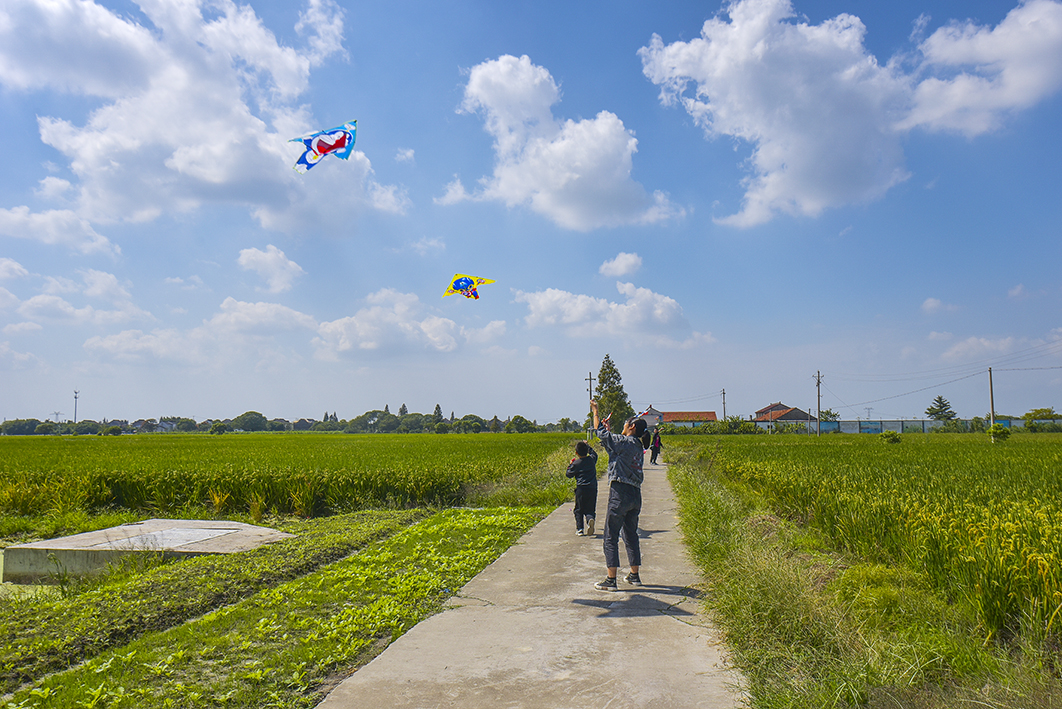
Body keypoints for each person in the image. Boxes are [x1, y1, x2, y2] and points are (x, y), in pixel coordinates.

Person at [590, 400, 650, 591]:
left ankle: (611, 579)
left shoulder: (623, 442)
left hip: (620, 493)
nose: (623, 425)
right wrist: (608, 432)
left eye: (625, 423)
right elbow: (612, 449)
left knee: (611, 535)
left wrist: (595, 411)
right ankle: (634, 575)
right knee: (631, 535)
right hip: (635, 495)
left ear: (631, 426)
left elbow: (600, 432)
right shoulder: (638, 447)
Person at [566, 441, 598, 536]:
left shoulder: (576, 463)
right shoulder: (592, 460)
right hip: (592, 488)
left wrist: (570, 465)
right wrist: (588, 446)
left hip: (581, 488)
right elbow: (594, 454)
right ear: (586, 451)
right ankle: (589, 519)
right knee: (590, 509)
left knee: (579, 509)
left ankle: (580, 529)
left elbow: (568, 474)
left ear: (576, 453)